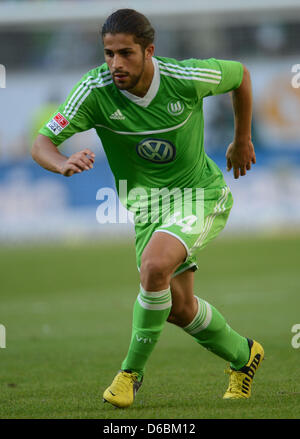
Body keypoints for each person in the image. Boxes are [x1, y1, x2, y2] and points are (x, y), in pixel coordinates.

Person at [31, 9, 264, 409]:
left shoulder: (183, 78)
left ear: (148, 50)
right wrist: (61, 163)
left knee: (154, 267)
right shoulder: (94, 89)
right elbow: (42, 143)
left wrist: (241, 139)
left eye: (125, 53)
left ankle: (129, 375)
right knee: (178, 308)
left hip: (199, 193)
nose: (115, 64)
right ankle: (245, 356)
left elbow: (240, 74)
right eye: (108, 54)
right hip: (147, 209)